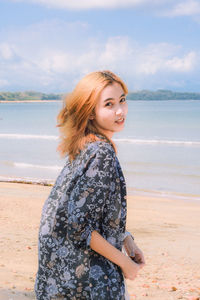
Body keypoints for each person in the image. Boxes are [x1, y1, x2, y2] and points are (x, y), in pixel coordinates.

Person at [35, 70, 145, 300]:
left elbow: (79, 211)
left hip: (58, 281)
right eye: (108, 104)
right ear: (90, 112)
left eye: (122, 100)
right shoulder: (101, 152)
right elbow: (80, 227)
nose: (120, 111)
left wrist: (127, 240)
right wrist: (126, 264)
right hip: (86, 284)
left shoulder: (85, 147)